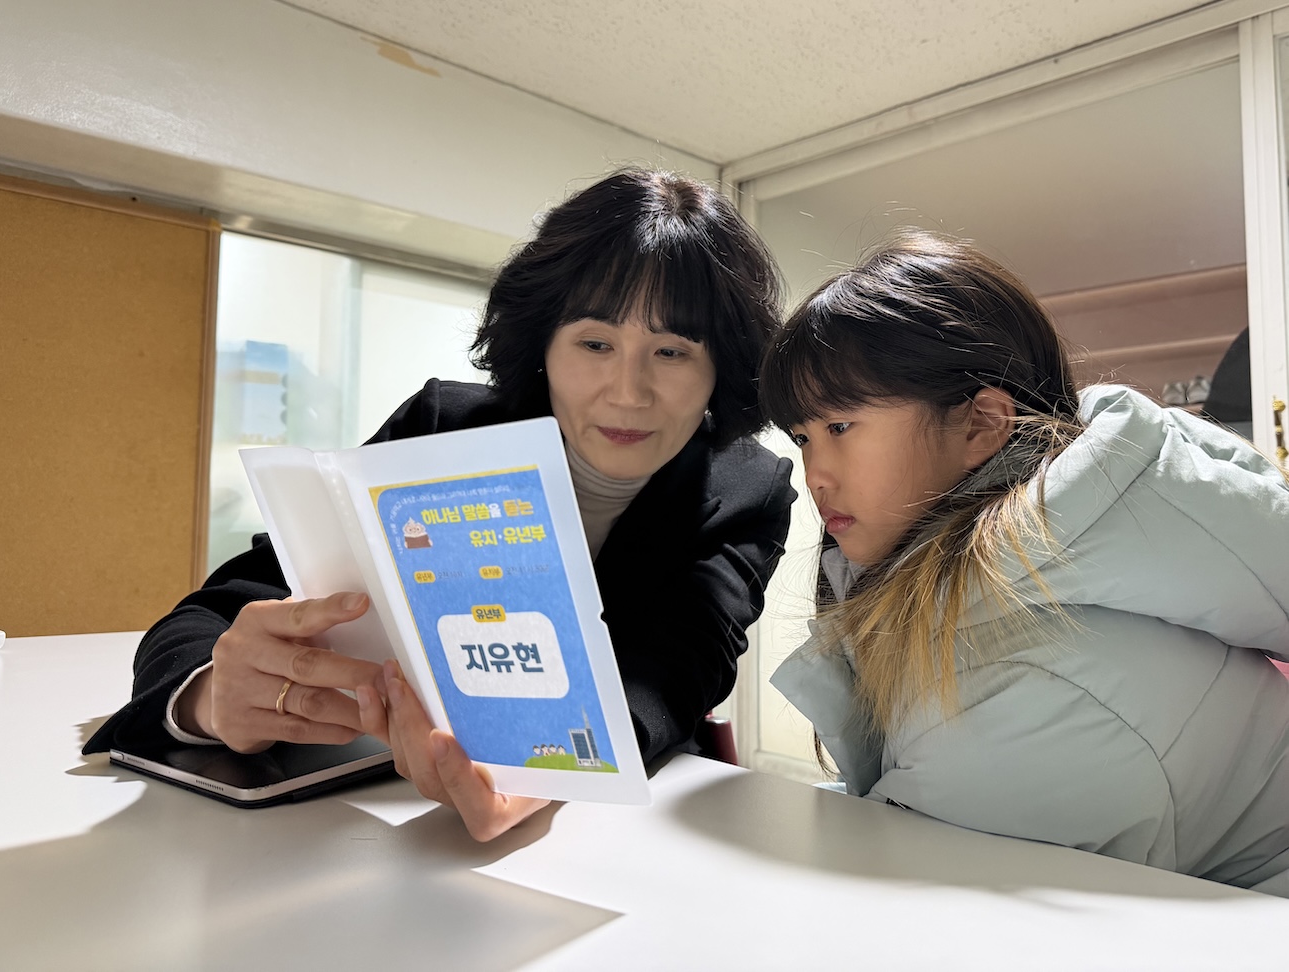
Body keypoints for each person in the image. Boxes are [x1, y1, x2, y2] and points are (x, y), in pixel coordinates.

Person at [86, 169, 796, 841]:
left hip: (617, 829)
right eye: (594, 342)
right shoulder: (443, 427)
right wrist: (208, 698)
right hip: (356, 807)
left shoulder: (749, 489)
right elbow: (223, 608)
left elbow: (674, 669)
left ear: (721, 367)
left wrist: (544, 770)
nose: (628, 392)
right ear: (543, 345)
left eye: (671, 353)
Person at [760, 229, 1289, 895]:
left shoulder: (1028, 682)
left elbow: (934, 901)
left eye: (840, 427)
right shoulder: (1008, 596)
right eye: (803, 437)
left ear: (983, 424)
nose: (815, 474)